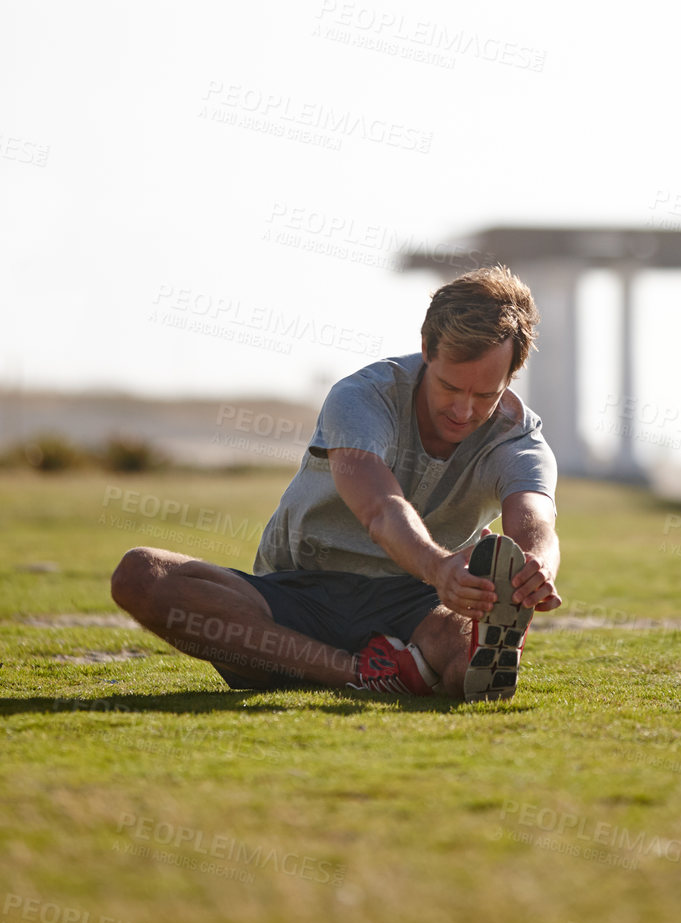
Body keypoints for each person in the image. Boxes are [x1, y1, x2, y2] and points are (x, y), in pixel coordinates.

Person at [111, 266, 561, 701]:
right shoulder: (363, 397)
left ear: (512, 376)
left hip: (416, 607)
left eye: (485, 395)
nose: (463, 411)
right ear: (426, 347)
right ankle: (369, 673)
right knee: (141, 574)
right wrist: (440, 567)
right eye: (449, 387)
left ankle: (451, 660)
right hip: (294, 596)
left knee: (466, 655)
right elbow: (381, 508)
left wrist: (536, 566)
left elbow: (535, 519)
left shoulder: (517, 436)